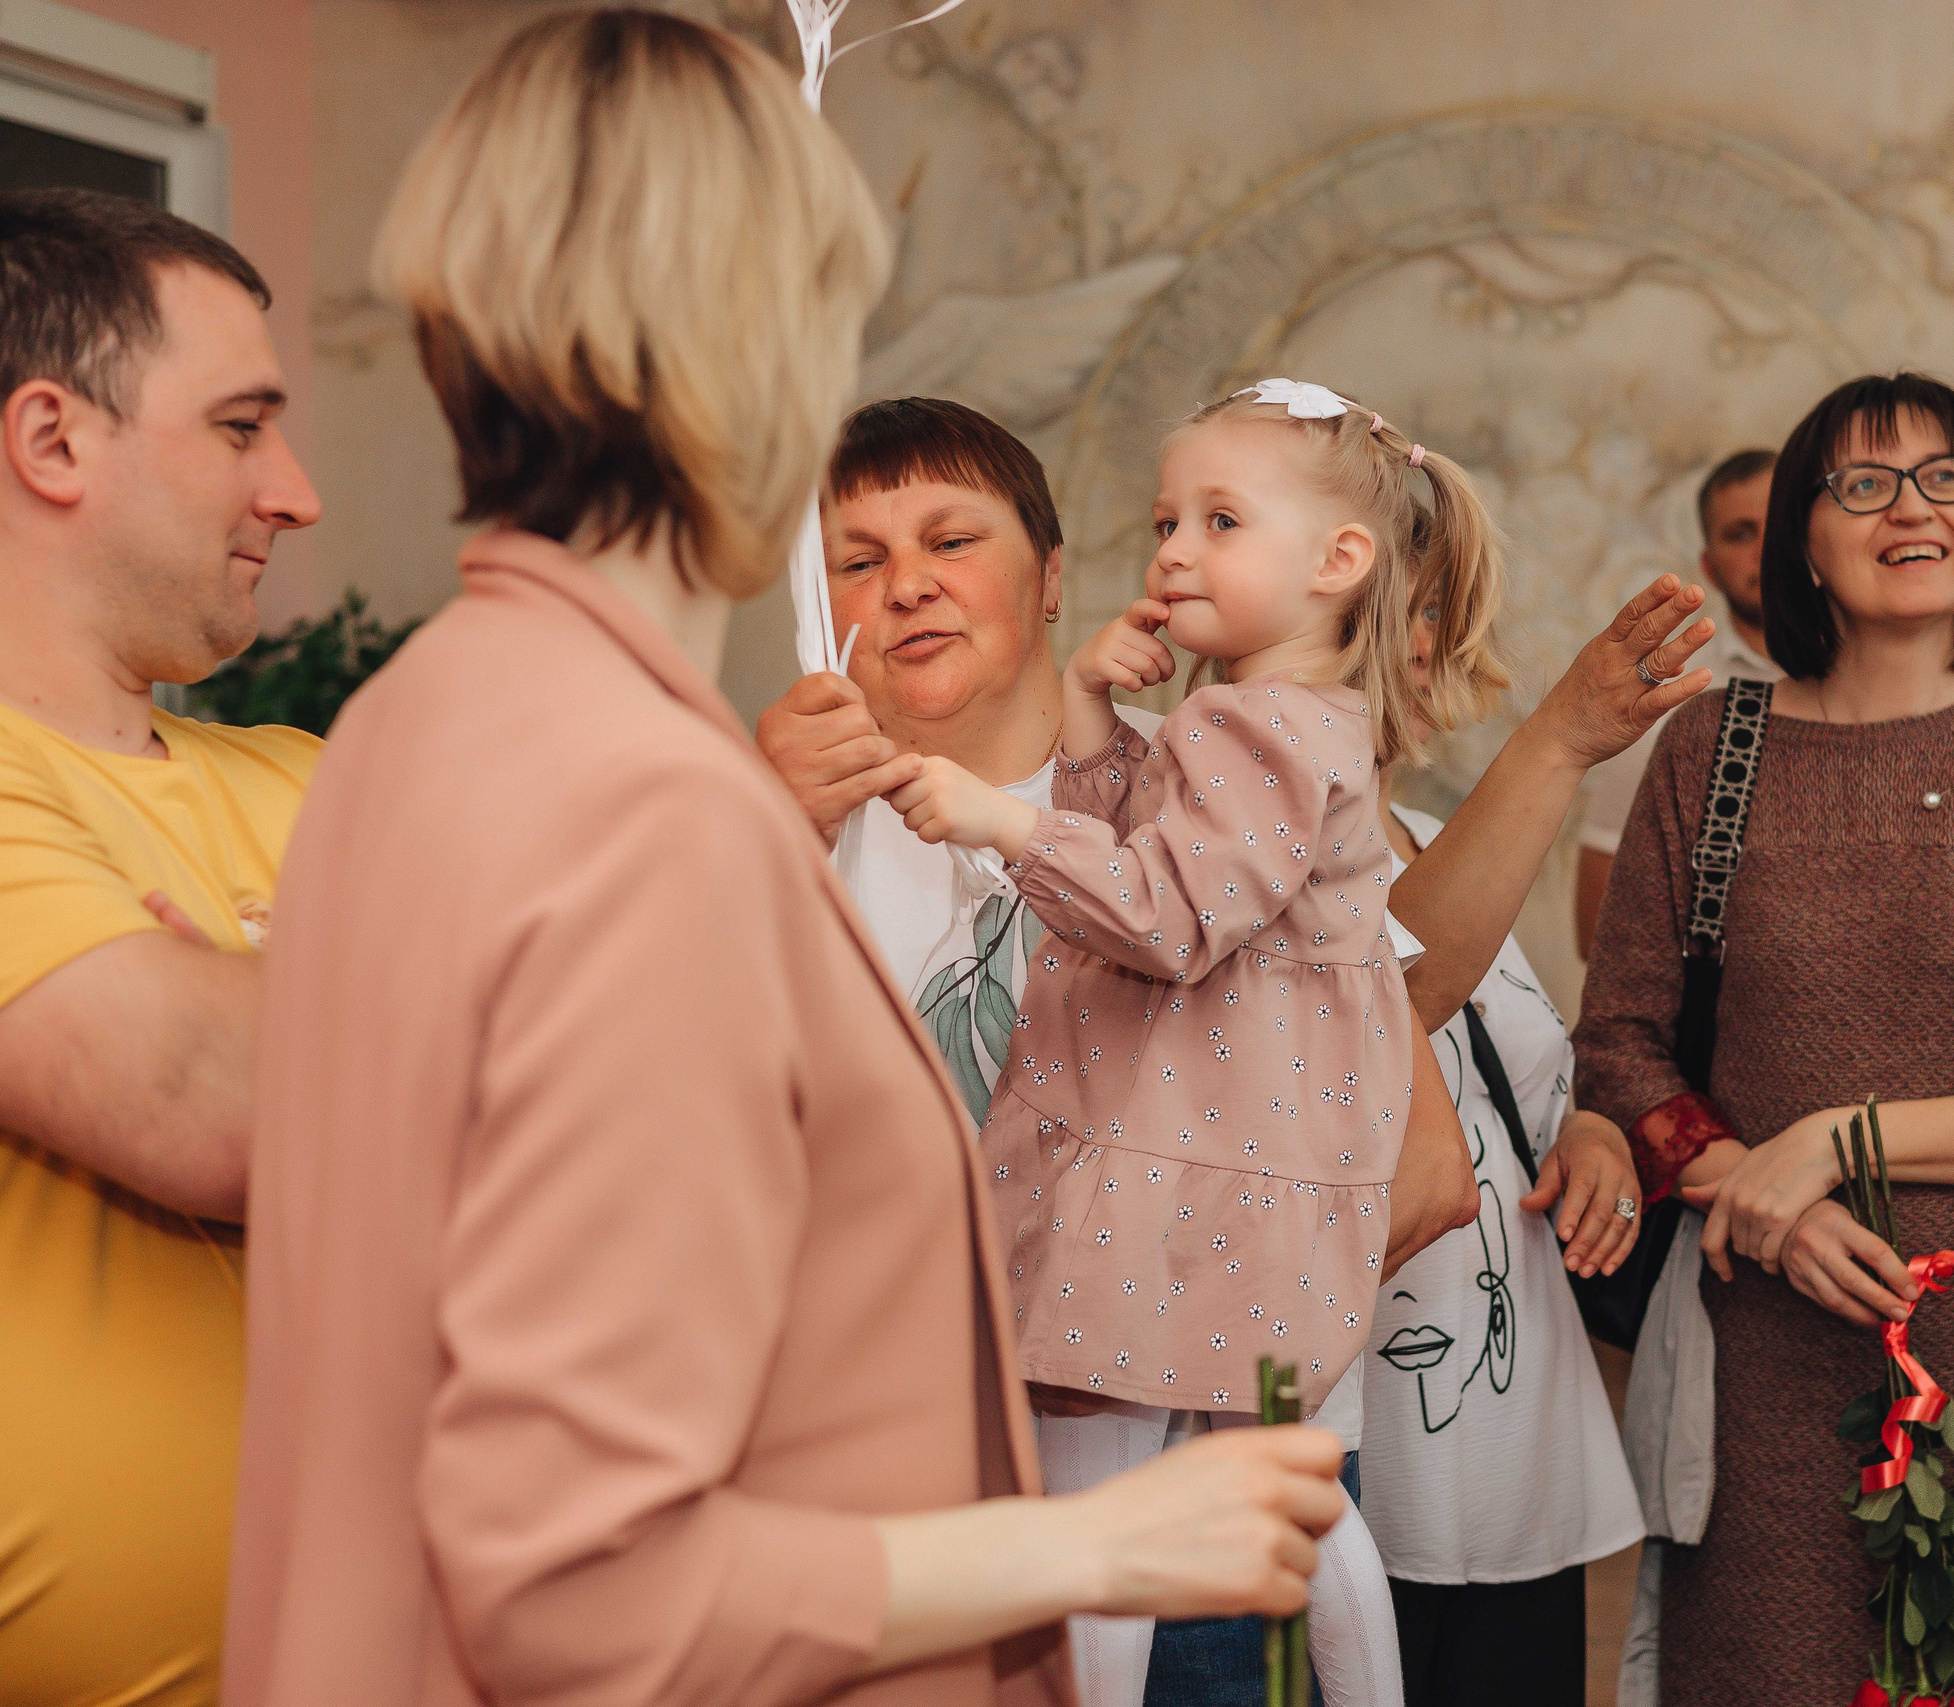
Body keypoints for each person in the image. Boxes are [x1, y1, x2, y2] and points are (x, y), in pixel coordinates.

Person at [223, 16, 1348, 1704]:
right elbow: (574, 1581)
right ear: (750, 351)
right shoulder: (646, 809)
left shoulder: (418, 720)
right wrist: (1108, 1544)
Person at [884, 376, 1507, 1707]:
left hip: (1183, 1180)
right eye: (1168, 518)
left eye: (1220, 518)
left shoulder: (1264, 725)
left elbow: (1161, 913)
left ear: (1339, 561)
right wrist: (1097, 720)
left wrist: (993, 820)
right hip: (1240, 1171)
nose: (1173, 550)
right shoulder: (1270, 721)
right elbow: (1155, 869)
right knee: (1291, 1490)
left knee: (1104, 1504)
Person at [1575, 373, 1954, 1706]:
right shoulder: (1706, 755)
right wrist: (1771, 1204)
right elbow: (1622, 1049)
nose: (1915, 506)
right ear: (1801, 538)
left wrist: (1836, 1143)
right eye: (1866, 482)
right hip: (1773, 1355)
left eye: (1947, 475)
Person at [0, 186, 321, 1703]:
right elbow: (206, 1093)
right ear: (52, 441)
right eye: (244, 426)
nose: (297, 491)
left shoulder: (320, 778)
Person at [1360, 594, 1648, 1707]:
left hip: (1513, 1420)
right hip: (1380, 1422)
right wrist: (1563, 734)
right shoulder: (1247, 868)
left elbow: (1531, 1074)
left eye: (1420, 625)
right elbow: (1393, 1005)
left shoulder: (1440, 840)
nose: (1413, 649)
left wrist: (1591, 1134)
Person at [1575, 448, 1781, 958]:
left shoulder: (1879, 672)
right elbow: (1598, 927)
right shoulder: (1670, 695)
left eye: (1783, 523)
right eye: (1741, 533)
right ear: (1709, 567)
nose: (1768, 548)